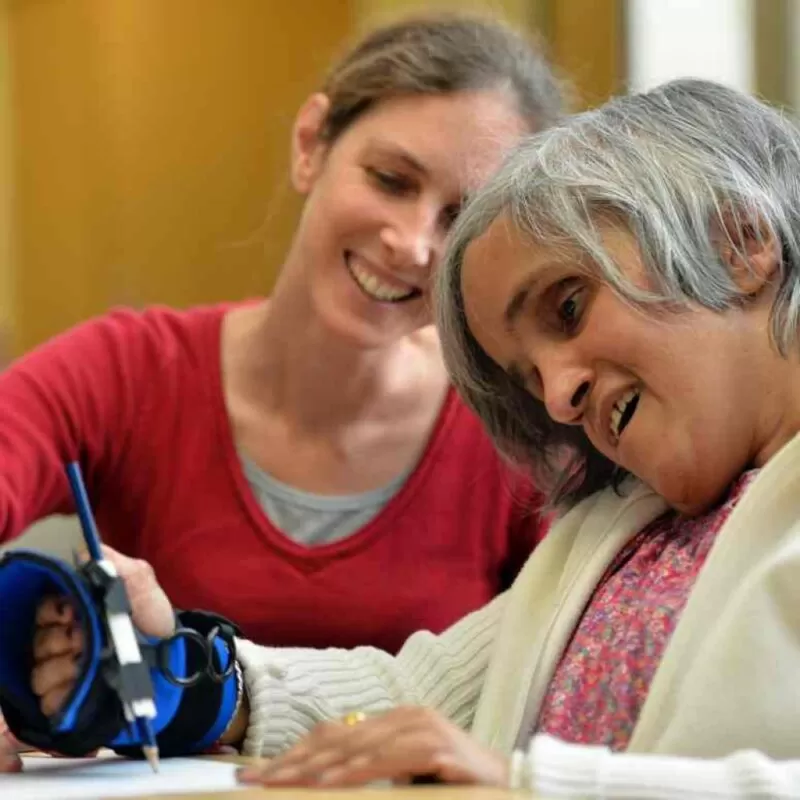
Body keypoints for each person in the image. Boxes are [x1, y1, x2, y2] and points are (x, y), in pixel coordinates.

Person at [16, 77, 800, 798]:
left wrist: (527, 786)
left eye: (568, 306)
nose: (561, 399)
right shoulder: (619, 531)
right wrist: (177, 677)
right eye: (529, 377)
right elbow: (414, 697)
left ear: (738, 246)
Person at [0, 14, 562, 655]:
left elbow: (567, 672)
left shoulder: (516, 435)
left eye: (459, 220)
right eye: (390, 180)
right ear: (310, 146)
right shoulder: (128, 371)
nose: (411, 244)